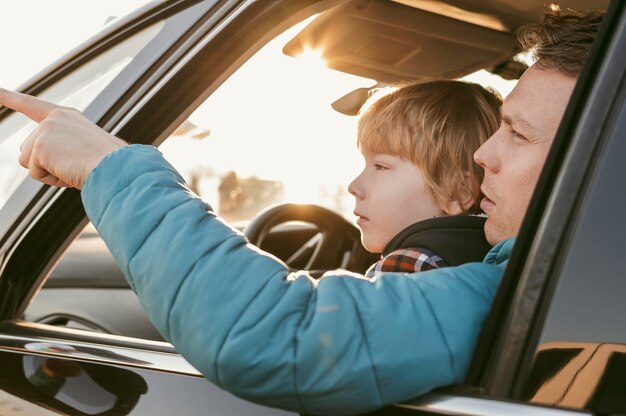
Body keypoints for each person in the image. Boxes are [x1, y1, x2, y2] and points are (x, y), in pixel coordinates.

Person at [1, 9, 602, 415]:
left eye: (518, 136)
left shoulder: (491, 284)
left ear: (594, 164)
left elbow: (278, 332)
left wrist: (112, 166)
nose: (483, 155)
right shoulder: (540, 281)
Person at [349, 80, 500, 277]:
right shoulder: (486, 259)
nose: (354, 187)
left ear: (456, 193)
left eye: (380, 166)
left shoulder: (407, 268)